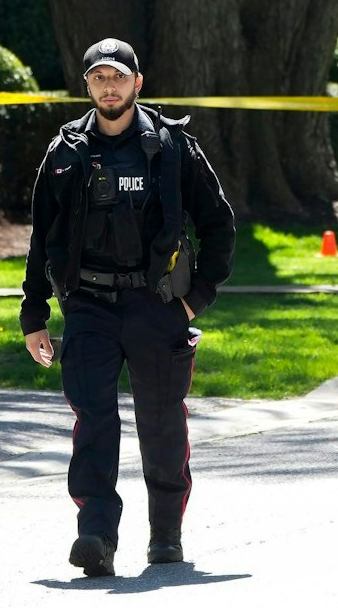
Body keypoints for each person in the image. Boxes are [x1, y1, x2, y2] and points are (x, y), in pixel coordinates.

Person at [20, 37, 237, 577]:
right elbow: (41, 237)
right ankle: (97, 535)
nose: (109, 87)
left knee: (161, 424)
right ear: (87, 85)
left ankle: (165, 534)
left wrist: (196, 299)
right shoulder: (65, 152)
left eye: (118, 77)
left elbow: (219, 224)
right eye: (99, 77)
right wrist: (34, 314)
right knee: (94, 421)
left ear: (137, 83)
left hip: (157, 305)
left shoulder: (172, 146)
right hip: (88, 306)